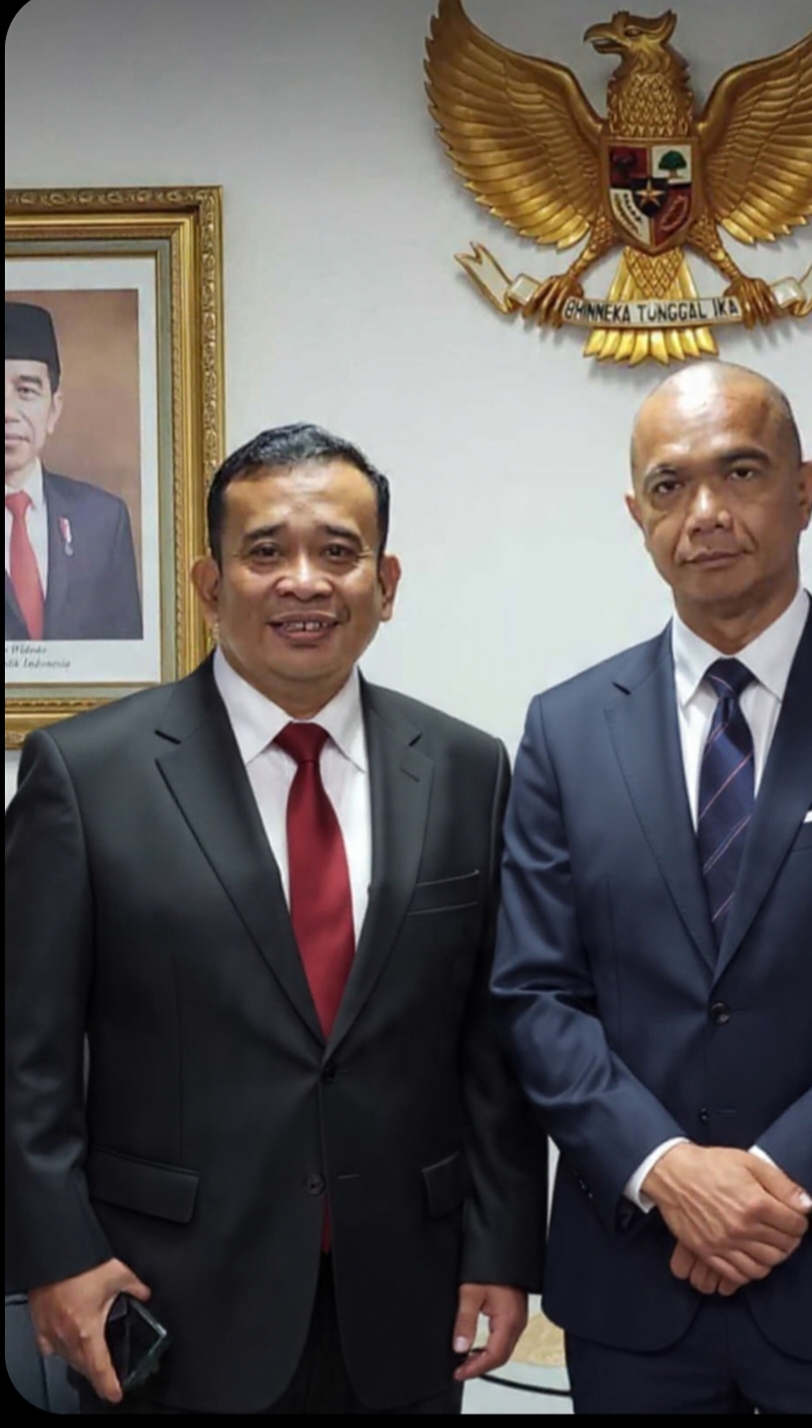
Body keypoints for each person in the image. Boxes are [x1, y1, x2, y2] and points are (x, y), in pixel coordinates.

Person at [6, 423, 546, 1414]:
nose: (305, 581)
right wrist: (57, 1253)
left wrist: (502, 1248)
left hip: (406, 1298)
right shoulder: (86, 777)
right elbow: (24, 1054)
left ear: (386, 583)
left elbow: (490, 1041)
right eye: (266, 552)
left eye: (338, 552)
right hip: (165, 1298)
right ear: (210, 585)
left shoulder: (467, 769)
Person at [492, 363, 812, 1415]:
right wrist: (667, 1171)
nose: (703, 512)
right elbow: (534, 996)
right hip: (635, 1285)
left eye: (739, 472)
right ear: (636, 516)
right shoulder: (565, 729)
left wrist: (774, 1185)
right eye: (668, 485)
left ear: (804, 488)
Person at [5, 299, 142, 641]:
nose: (8, 412)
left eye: (26, 391)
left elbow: (127, 656)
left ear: (53, 409)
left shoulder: (103, 521)